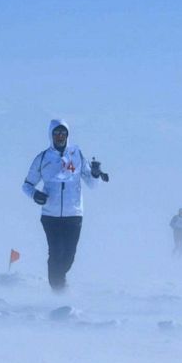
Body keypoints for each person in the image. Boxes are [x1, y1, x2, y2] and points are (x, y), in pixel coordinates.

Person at [22, 119, 109, 291]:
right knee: (56, 252)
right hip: (50, 215)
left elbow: (91, 184)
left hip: (74, 214)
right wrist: (35, 194)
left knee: (69, 256)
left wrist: (95, 174)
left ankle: (58, 282)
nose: (60, 137)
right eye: (57, 133)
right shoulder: (43, 158)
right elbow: (26, 185)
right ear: (51, 135)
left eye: (63, 134)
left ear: (68, 135)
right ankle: (58, 291)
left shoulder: (77, 154)